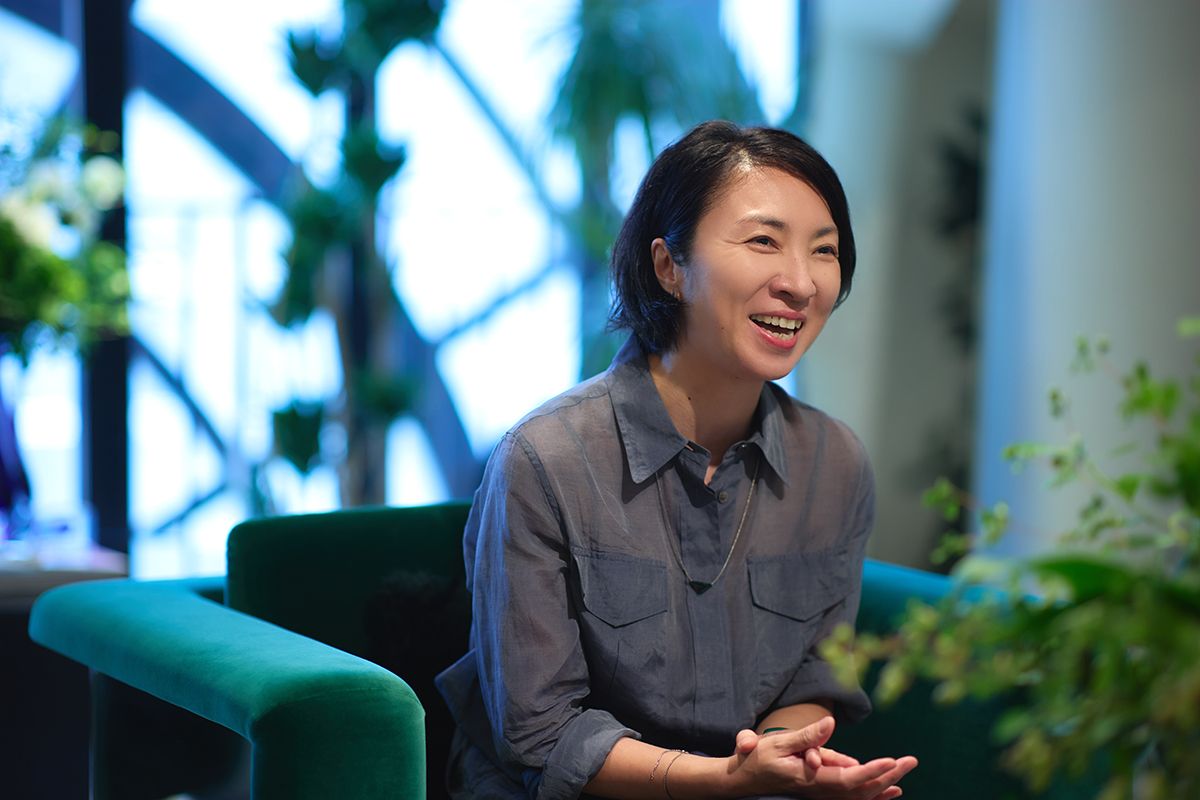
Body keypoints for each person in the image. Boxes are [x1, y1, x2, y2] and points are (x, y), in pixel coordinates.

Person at [436, 120, 918, 799]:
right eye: (764, 241)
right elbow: (541, 732)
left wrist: (782, 760)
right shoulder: (545, 460)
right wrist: (725, 781)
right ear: (669, 266)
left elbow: (816, 678)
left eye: (824, 250)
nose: (800, 283)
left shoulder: (833, 464)